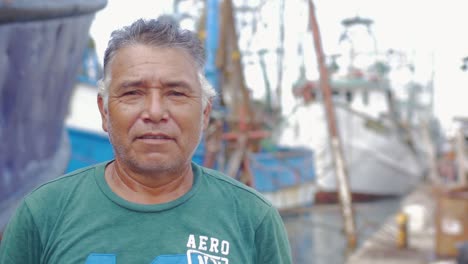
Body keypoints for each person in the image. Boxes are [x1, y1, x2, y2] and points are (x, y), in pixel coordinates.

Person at [0, 17, 292, 263]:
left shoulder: (253, 219)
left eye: (176, 93)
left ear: (204, 113)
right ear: (104, 111)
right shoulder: (42, 214)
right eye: (132, 93)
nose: (154, 112)